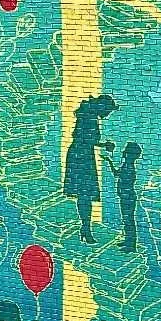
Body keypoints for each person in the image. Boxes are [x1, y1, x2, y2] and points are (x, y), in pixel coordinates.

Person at [64, 94, 117, 242]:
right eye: (108, 111)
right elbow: (83, 138)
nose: (107, 115)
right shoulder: (89, 117)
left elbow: (86, 139)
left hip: (83, 155)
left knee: (85, 195)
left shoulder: (89, 115)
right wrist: (103, 145)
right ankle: (86, 229)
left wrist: (101, 145)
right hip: (81, 158)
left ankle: (85, 228)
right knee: (84, 194)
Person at [104, 141, 142, 252]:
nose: (123, 152)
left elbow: (119, 176)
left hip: (127, 198)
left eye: (126, 151)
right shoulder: (127, 165)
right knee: (127, 220)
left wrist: (110, 162)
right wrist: (109, 161)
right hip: (125, 197)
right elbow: (116, 174)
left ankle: (131, 245)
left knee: (129, 220)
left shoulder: (129, 167)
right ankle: (128, 241)